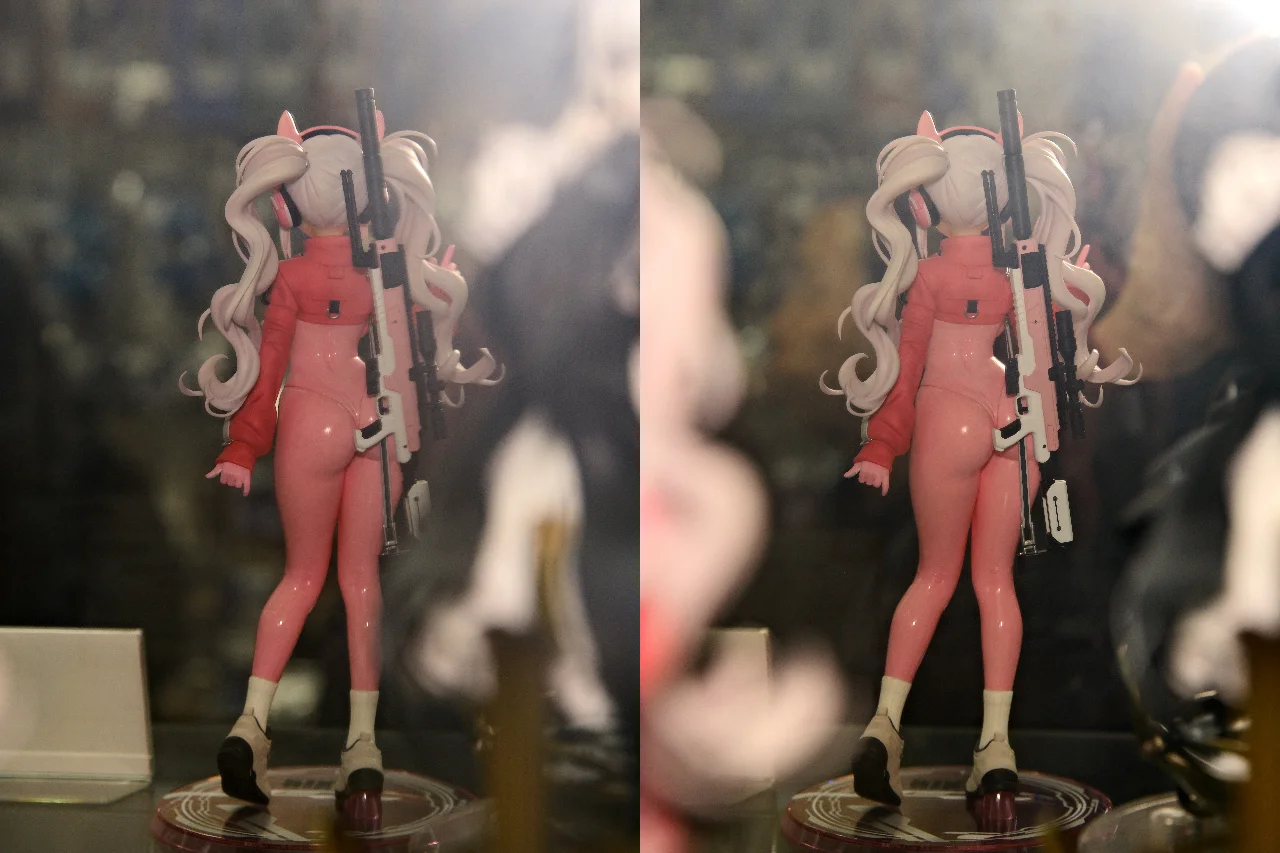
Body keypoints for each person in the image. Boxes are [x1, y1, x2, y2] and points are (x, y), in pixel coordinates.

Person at [181, 110, 498, 804]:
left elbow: (268, 365)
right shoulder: (386, 271)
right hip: (375, 420)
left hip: (310, 420)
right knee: (361, 584)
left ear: (288, 201)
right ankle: (361, 743)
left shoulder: (291, 276)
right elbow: (411, 362)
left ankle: (250, 723)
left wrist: (244, 445)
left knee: (300, 577)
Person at [824, 109, 1136, 803]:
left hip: (948, 417)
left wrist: (882, 443)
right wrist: (1060, 284)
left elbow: (906, 364)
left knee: (933, 577)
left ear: (925, 200)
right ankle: (996, 743)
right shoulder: (1016, 272)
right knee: (997, 582)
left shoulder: (930, 276)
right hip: (1011, 417)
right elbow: (1043, 351)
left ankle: (883, 726)